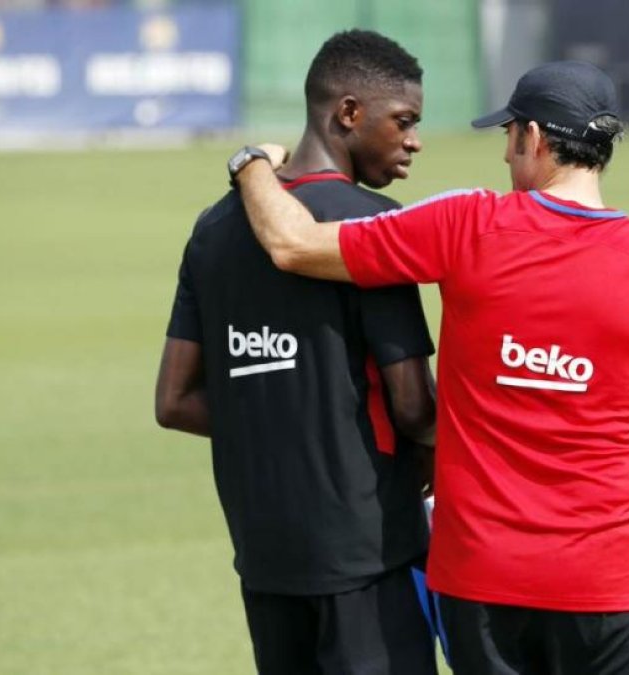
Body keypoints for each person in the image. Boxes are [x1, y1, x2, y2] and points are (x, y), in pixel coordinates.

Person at [231, 61, 629, 674]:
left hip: (480, 589)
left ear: (532, 138)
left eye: (508, 140)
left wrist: (251, 163)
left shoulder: (466, 224)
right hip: (608, 588)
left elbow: (292, 244)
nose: (506, 160)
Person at [154, 30, 440, 675]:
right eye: (404, 121)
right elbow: (415, 409)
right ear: (347, 113)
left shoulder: (214, 227)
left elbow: (174, 402)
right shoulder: (370, 227)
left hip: (264, 551)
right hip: (366, 554)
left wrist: (279, 420)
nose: (414, 141)